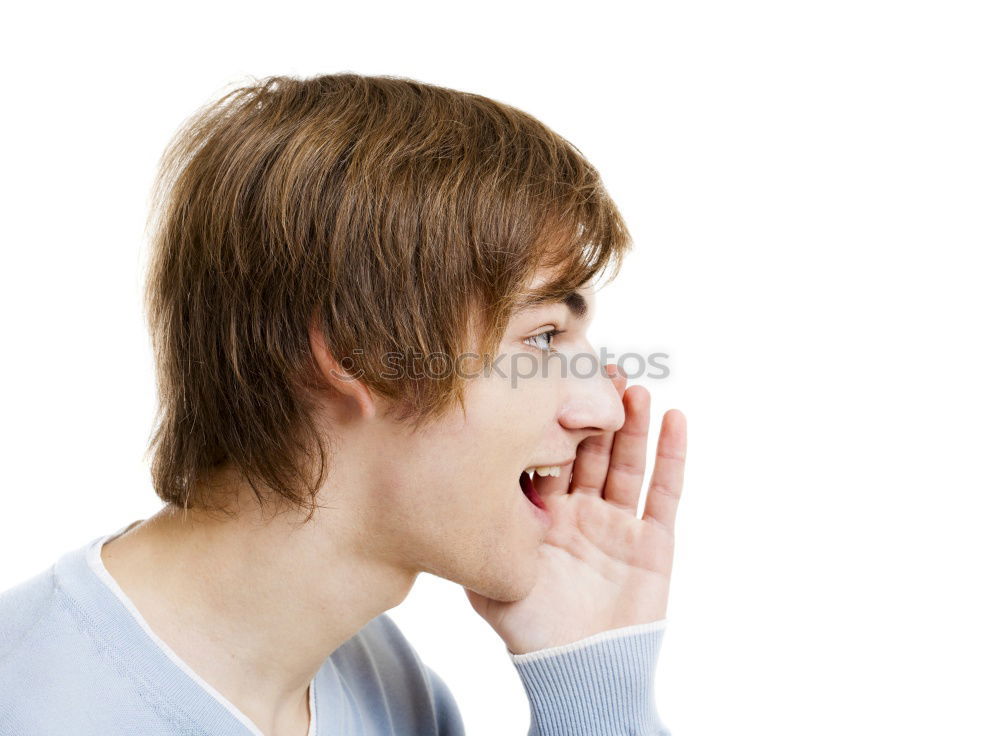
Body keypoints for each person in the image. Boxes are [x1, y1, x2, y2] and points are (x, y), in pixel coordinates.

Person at [0, 73, 687, 736]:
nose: (608, 407)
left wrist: (594, 698)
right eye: (542, 337)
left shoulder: (387, 689)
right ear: (359, 354)